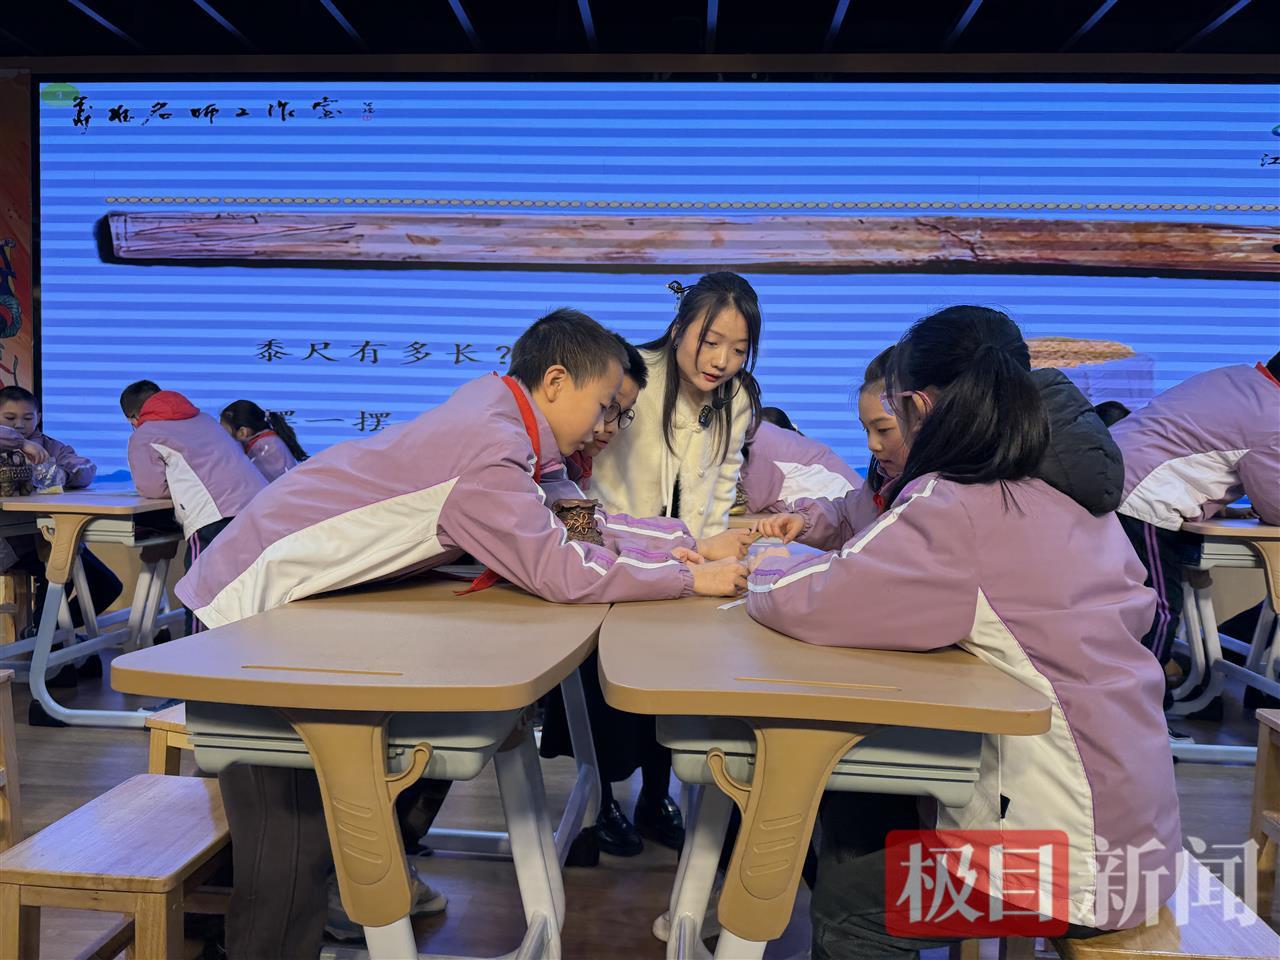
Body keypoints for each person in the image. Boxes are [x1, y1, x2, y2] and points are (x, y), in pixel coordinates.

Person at [174, 308, 749, 960]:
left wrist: (684, 546)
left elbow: (578, 524)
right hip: (248, 608)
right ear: (556, 382)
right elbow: (562, 568)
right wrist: (688, 578)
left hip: (291, 609)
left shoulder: (511, 428)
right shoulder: (491, 447)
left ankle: (355, 889)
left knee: (360, 774)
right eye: (604, 408)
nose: (606, 427)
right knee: (288, 835)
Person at [748, 305, 1179, 959]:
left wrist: (760, 564)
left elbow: (815, 601)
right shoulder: (1059, 484)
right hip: (1134, 827)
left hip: (1070, 858)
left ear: (918, 404)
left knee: (849, 905)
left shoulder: (956, 503)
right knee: (859, 802)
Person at [1110, 353, 1280, 666]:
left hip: (1113, 480)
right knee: (1157, 607)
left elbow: (1197, 446)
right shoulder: (1273, 416)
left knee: (1126, 603)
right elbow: (1276, 506)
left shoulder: (1234, 377)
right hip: (1143, 498)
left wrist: (1222, 506)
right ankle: (1145, 692)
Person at [590, 272, 763, 540]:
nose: (721, 361)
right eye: (710, 342)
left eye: (738, 350)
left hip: (692, 555)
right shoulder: (629, 377)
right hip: (615, 545)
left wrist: (710, 552)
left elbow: (723, 487)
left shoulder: (737, 398)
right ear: (678, 330)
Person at [121, 381, 267, 634]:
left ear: (133, 418)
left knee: (201, 596)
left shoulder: (144, 434)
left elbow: (152, 488)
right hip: (258, 508)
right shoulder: (205, 419)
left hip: (214, 516)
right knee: (247, 595)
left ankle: (198, 657)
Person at [0, 386, 121, 686]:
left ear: (39, 417)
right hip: (8, 542)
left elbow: (85, 467)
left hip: (47, 537)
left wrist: (63, 475)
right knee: (58, 571)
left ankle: (46, 636)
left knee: (106, 585)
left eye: (28, 418)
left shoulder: (50, 447)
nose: (20, 425)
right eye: (10, 418)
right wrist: (21, 444)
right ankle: (51, 653)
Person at [738, 406, 861, 515]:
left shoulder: (761, 443)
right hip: (833, 513)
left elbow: (745, 505)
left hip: (849, 515)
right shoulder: (755, 432)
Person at [220, 400, 308, 481]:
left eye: (225, 432)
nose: (222, 437)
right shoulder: (269, 440)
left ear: (242, 433)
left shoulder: (263, 450)